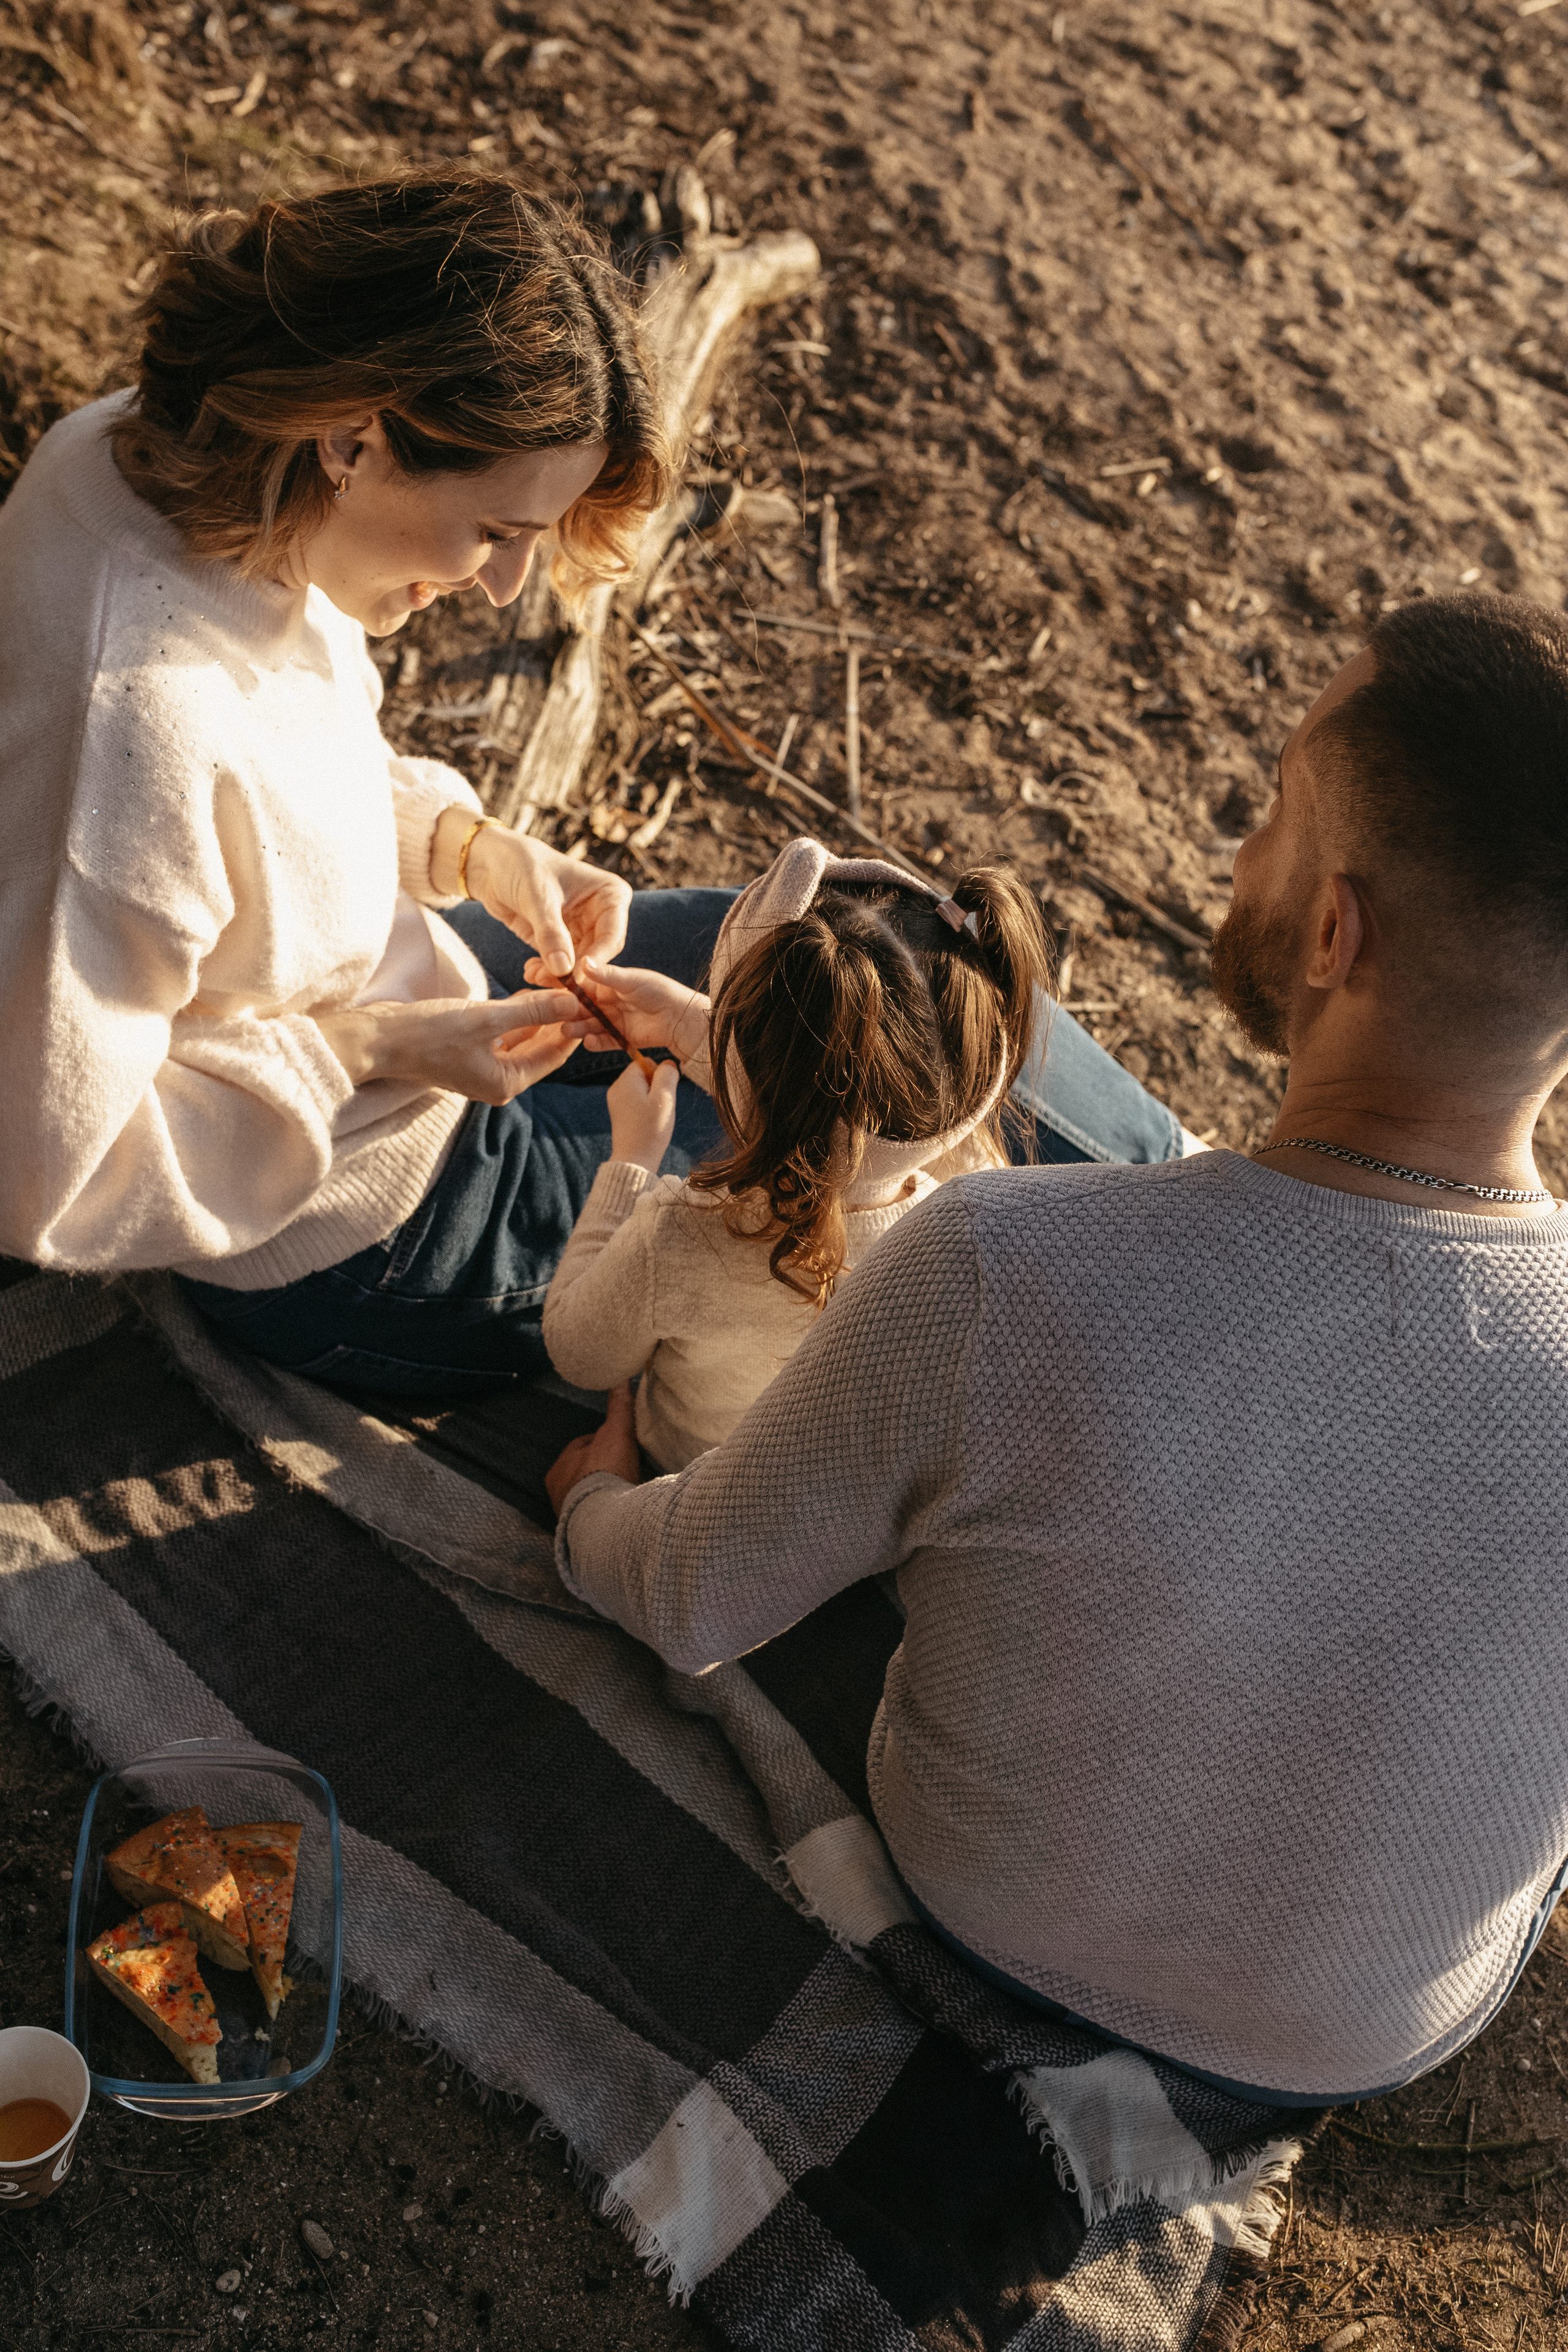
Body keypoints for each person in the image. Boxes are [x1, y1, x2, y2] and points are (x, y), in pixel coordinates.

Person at [547, 591, 1568, 2108]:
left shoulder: (997, 1261)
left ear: (1334, 928)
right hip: (1355, 2037)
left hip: (985, 1904)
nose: (1242, 843)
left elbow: (693, 1593)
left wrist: (586, 1504)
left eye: (1278, 806)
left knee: (938, 1025)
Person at [0, 167, 1193, 1395]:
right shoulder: (133, 723)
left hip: (407, 993)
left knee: (928, 980)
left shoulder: (159, 466)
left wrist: (460, 844)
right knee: (875, 1175)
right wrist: (375, 1050)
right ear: (351, 435)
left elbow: (270, 788)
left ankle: (1210, 1200)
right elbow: (51, 1171)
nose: (507, 587)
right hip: (367, 1229)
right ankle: (1200, 1298)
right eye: (497, 532)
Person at [541, 840, 1052, 1469]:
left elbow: (578, 1354)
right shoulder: (971, 1220)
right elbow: (830, 1112)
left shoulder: (682, 1234)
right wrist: (687, 1028)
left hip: (679, 1484)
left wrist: (631, 1164)